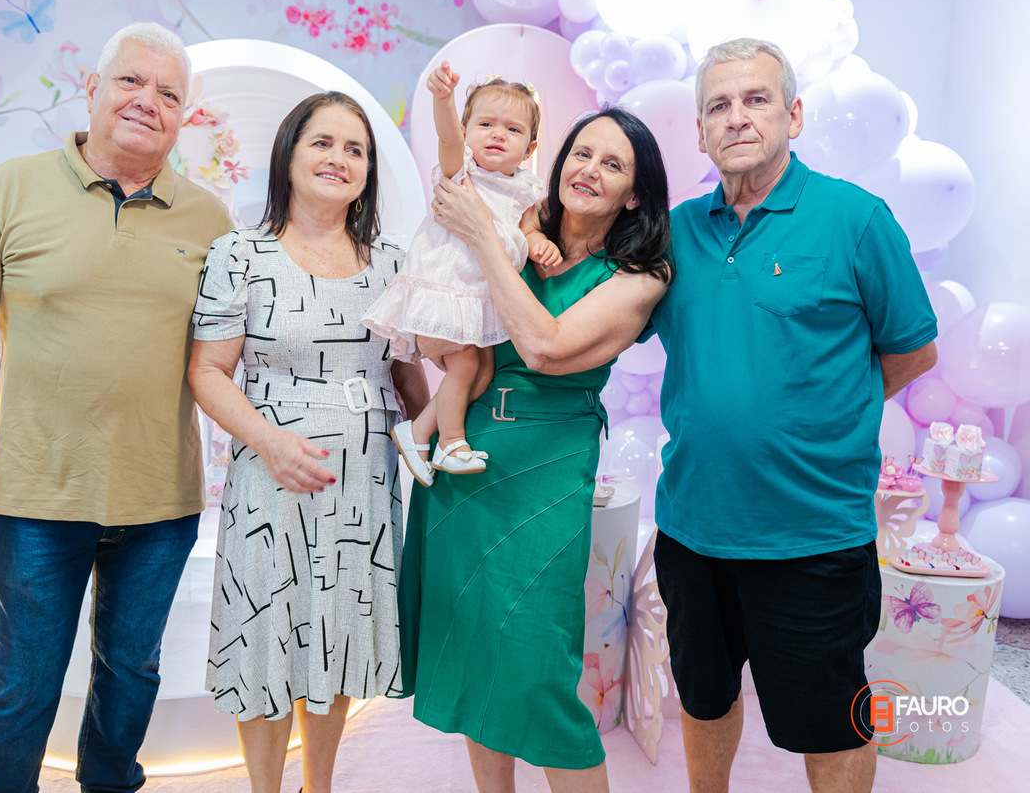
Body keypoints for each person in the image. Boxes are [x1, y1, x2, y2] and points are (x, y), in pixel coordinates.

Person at [0, 23, 232, 793]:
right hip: (39, 495)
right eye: (131, 81)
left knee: (132, 676)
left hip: (162, 500)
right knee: (22, 683)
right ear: (92, 88)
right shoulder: (9, 188)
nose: (147, 101)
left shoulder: (210, 220)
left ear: (184, 116)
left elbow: (228, 359)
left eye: (168, 93)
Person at [646, 38, 938, 793]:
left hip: (813, 535)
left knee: (831, 719)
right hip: (693, 527)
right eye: (718, 105)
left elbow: (912, 351)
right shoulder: (675, 232)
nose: (737, 117)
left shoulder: (855, 219)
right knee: (704, 698)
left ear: (793, 115)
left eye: (756, 99)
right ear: (701, 130)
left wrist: (822, 416)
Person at [400, 107, 672, 792]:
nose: (590, 170)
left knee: (537, 665)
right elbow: (437, 321)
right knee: (473, 654)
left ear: (633, 194)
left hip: (547, 468)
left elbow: (544, 347)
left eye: (613, 164)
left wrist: (483, 238)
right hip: (466, 457)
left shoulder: (639, 275)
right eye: (582, 153)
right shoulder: (519, 222)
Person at [188, 91, 429, 793]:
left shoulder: (392, 264)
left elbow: (409, 380)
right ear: (289, 153)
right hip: (270, 477)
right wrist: (268, 442)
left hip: (363, 480)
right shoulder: (240, 254)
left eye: (356, 149)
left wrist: (447, 446)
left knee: (340, 633)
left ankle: (316, 786)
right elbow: (207, 371)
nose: (339, 159)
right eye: (322, 142)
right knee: (266, 636)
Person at [361, 62, 552, 483]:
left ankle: (417, 430)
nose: (498, 134)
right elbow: (447, 136)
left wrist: (541, 244)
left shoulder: (525, 190)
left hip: (478, 301)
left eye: (513, 129)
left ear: (530, 147)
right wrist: (444, 99)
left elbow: (528, 231)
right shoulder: (463, 172)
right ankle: (450, 443)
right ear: (467, 133)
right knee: (465, 367)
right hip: (442, 292)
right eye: (485, 124)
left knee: (481, 375)